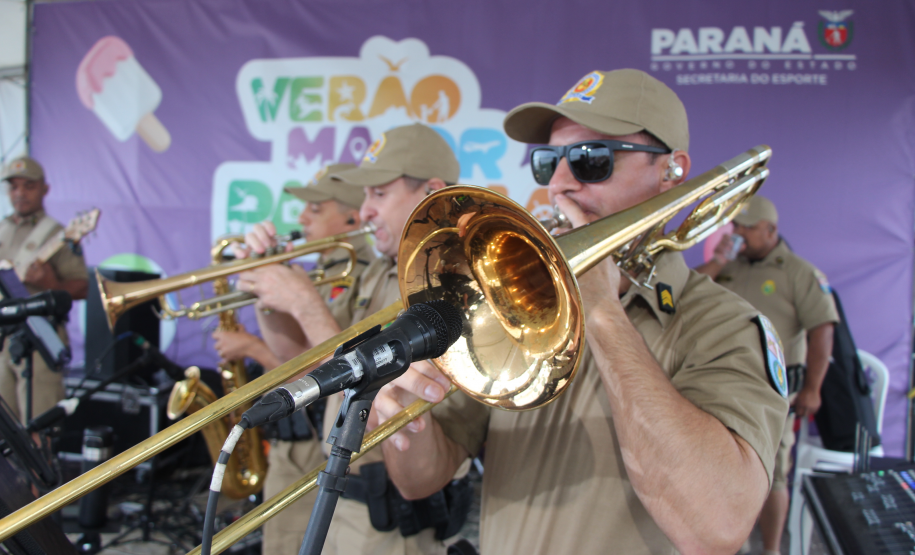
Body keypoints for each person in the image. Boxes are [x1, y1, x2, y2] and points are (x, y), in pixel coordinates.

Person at [372, 69, 791, 555]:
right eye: (548, 163)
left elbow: (715, 527)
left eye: (593, 160)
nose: (561, 185)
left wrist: (604, 313)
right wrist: (406, 423)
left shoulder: (724, 323)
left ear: (672, 171)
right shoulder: (509, 296)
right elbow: (421, 481)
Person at [236, 123, 466, 555]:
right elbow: (299, 359)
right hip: (341, 494)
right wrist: (266, 292)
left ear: (430, 191)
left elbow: (412, 435)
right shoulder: (382, 268)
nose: (364, 211)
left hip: (386, 514)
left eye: (378, 194)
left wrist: (305, 303)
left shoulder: (452, 282)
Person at [217, 163, 374, 555]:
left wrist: (252, 350)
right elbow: (292, 353)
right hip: (299, 433)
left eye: (316, 209)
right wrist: (265, 282)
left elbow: (324, 368)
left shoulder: (363, 275)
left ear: (352, 218)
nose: (302, 217)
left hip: (320, 436)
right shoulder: (326, 272)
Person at [696, 196, 837, 555]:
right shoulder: (730, 266)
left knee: (774, 472)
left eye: (748, 227)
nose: (739, 234)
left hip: (776, 389)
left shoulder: (798, 272)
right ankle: (730, 545)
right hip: (725, 384)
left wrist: (813, 389)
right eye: (736, 226)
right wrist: (717, 260)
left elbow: (822, 329)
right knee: (723, 464)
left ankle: (771, 549)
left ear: (771, 230)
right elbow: (688, 292)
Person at [0, 156, 87, 424]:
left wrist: (50, 282)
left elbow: (82, 287)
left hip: (39, 339)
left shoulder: (57, 233)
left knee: (39, 429)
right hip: (4, 339)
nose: (20, 194)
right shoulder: (2, 228)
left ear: (44, 189)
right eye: (13, 187)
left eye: (28, 186)